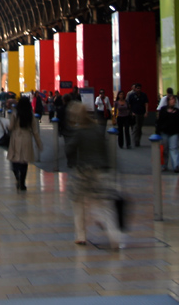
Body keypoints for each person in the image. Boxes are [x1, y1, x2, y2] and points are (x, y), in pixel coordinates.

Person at [65, 102, 125, 248]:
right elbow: (106, 150)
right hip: (100, 170)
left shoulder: (79, 131)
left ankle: (81, 235)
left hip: (83, 171)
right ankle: (114, 237)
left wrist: (72, 160)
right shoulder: (98, 129)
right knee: (103, 204)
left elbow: (70, 149)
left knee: (78, 202)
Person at [7, 96, 43, 191]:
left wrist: (7, 127)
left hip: (16, 137)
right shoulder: (30, 115)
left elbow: (10, 127)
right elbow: (35, 131)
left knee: (15, 159)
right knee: (24, 161)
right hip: (27, 138)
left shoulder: (15, 114)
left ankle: (17, 176)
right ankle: (22, 182)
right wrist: (39, 143)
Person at [156, 94, 179, 172]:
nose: (173, 101)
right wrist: (157, 132)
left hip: (174, 132)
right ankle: (164, 165)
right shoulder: (163, 110)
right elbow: (159, 121)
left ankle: (176, 165)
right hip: (164, 132)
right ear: (168, 101)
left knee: (173, 148)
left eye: (174, 100)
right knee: (164, 150)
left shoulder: (177, 111)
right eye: (172, 100)